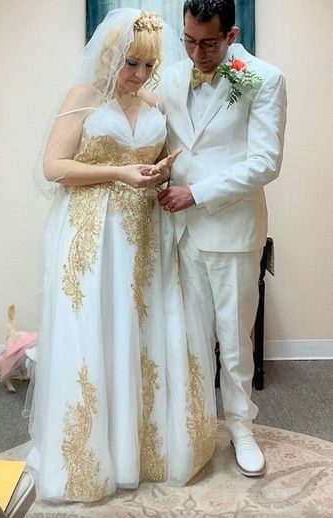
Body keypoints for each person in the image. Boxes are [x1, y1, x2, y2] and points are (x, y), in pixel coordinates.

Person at [27, 8, 217, 503]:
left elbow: (152, 163)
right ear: (111, 53)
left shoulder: (153, 101)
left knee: (143, 327)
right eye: (132, 63)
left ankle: (144, 450)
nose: (140, 75)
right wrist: (117, 173)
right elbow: (53, 167)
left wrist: (157, 171)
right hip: (93, 231)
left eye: (149, 66)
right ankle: (91, 458)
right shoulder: (84, 97)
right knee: (95, 328)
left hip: (144, 230)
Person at [157, 0, 287, 477]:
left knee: (233, 340)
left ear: (230, 35)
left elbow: (265, 162)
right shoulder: (171, 76)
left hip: (231, 230)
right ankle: (195, 427)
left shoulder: (264, 79)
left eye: (206, 42)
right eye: (187, 39)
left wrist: (198, 193)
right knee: (189, 336)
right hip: (179, 233)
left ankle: (241, 426)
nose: (195, 52)